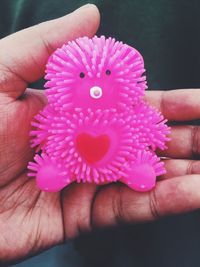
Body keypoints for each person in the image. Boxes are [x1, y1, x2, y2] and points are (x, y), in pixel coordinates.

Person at [1, 3, 200, 265]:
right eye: (82, 76)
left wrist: (155, 133)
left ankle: (134, 169)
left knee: (136, 159)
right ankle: (58, 172)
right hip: (66, 197)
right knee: (58, 160)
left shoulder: (130, 114)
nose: (95, 88)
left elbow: (151, 125)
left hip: (165, 241)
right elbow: (44, 130)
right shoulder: (60, 116)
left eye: (107, 74)